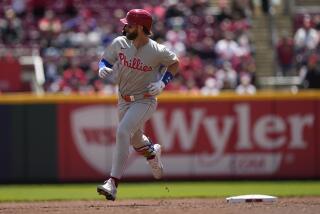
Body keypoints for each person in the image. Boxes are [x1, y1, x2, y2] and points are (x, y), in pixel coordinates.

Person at [96, 9, 179, 201]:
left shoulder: (157, 50)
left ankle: (113, 183)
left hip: (145, 100)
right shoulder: (120, 42)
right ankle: (152, 153)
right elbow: (105, 59)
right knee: (134, 140)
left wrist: (162, 83)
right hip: (123, 100)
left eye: (130, 24)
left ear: (141, 28)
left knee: (123, 131)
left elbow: (175, 63)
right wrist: (103, 67)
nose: (125, 27)